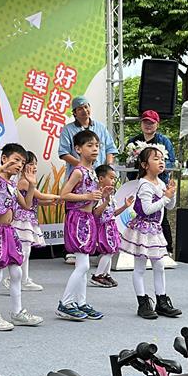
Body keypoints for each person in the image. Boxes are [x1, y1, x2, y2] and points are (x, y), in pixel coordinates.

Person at [0, 143, 43, 331]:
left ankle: (17, 312)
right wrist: (1, 168)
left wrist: (31, 184)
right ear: (4, 158)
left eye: (22, 163)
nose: (19, 165)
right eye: (16, 160)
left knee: (16, 273)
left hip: (9, 231)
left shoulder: (13, 185)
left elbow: (27, 205)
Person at [120, 145, 181, 319]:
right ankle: (143, 302)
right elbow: (147, 209)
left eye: (162, 158)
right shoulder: (145, 184)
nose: (161, 161)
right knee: (139, 267)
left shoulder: (160, 182)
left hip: (155, 230)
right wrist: (166, 197)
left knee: (159, 265)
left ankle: (161, 300)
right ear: (145, 165)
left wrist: (171, 194)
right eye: (156, 158)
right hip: (143, 229)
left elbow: (170, 206)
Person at [56, 130, 106, 321]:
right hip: (77, 219)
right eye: (89, 145)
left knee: (83, 265)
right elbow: (64, 194)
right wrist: (87, 196)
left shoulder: (92, 172)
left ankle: (80, 301)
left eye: (96, 145)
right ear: (77, 149)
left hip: (87, 219)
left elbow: (91, 199)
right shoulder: (78, 171)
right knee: (83, 265)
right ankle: (66, 302)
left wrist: (103, 195)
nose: (94, 149)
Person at [125, 109, 178, 268]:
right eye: (145, 122)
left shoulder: (164, 141)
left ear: (157, 124)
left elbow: (171, 162)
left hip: (159, 183)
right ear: (141, 123)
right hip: (138, 183)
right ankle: (137, 247)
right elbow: (127, 163)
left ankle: (166, 248)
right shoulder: (133, 141)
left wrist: (157, 166)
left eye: (151, 123)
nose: (148, 125)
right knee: (138, 214)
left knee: (161, 215)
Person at [9, 151, 59, 292]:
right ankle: (21, 279)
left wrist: (48, 203)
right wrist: (60, 196)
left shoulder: (28, 182)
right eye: (31, 164)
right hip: (22, 220)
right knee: (24, 250)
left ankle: (22, 277)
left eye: (35, 164)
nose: (34, 167)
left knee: (26, 250)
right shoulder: (24, 182)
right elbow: (40, 195)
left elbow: (34, 201)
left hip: (28, 219)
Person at [89, 164, 134, 288]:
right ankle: (98, 275)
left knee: (112, 251)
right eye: (111, 178)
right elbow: (96, 213)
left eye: (114, 178)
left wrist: (125, 206)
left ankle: (106, 274)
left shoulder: (111, 195)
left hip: (111, 226)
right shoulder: (98, 195)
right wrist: (106, 201)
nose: (113, 181)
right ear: (101, 179)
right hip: (103, 227)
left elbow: (113, 213)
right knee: (108, 251)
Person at [58, 97, 118, 178]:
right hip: (78, 175)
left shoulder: (101, 127)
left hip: (100, 174)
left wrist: (108, 167)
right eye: (80, 109)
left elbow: (110, 148)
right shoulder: (67, 130)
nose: (84, 110)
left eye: (86, 107)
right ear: (74, 113)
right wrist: (83, 166)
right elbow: (63, 153)